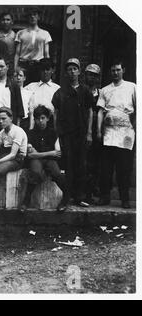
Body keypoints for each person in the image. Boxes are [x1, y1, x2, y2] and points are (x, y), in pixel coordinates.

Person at [52, 58, 94, 207]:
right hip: (67, 134)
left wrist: (89, 132)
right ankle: (66, 198)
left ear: (79, 71)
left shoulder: (85, 91)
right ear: (65, 73)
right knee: (68, 165)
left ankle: (79, 197)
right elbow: (56, 114)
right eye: (69, 69)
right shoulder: (60, 92)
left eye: (74, 69)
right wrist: (58, 133)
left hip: (81, 134)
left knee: (81, 165)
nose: (72, 71)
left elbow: (90, 111)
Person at [96, 60, 136, 209]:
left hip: (126, 132)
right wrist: (98, 130)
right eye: (113, 70)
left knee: (124, 167)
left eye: (118, 70)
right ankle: (105, 196)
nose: (115, 73)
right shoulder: (105, 90)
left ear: (123, 70)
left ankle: (124, 199)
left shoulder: (132, 87)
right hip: (109, 133)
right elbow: (100, 111)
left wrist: (136, 128)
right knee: (106, 167)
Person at [21, 105, 69, 212]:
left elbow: (57, 153)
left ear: (47, 118)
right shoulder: (31, 133)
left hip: (49, 160)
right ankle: (26, 200)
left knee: (56, 172)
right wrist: (50, 153)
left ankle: (66, 198)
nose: (40, 121)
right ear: (35, 120)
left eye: (43, 118)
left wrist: (40, 154)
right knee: (36, 172)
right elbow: (30, 155)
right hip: (36, 160)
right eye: (37, 119)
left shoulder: (53, 133)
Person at [14, 8, 52, 84]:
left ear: (38, 17)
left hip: (38, 65)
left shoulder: (45, 34)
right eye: (30, 15)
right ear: (27, 17)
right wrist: (15, 68)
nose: (32, 17)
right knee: (22, 88)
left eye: (34, 15)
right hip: (23, 65)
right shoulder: (21, 33)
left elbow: (46, 54)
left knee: (37, 88)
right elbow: (17, 53)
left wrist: (47, 69)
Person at [0, 57, 24, 133]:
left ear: (7, 67)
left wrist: (17, 127)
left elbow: (19, 108)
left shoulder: (14, 86)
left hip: (9, 121)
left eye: (2, 66)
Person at [25, 58, 60, 129]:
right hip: (33, 122)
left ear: (52, 70)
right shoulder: (30, 87)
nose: (45, 72)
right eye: (42, 69)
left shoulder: (57, 89)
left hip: (51, 123)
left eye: (47, 69)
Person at [84, 64, 102, 203]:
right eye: (89, 74)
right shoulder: (82, 91)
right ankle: (81, 192)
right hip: (82, 131)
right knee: (83, 162)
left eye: (94, 75)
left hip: (97, 133)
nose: (91, 77)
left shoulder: (101, 94)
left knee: (95, 163)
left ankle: (91, 192)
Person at [13, 67, 34, 132]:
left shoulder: (29, 93)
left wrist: (31, 126)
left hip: (24, 123)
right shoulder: (10, 92)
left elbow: (31, 112)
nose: (18, 78)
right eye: (16, 76)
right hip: (12, 121)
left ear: (24, 78)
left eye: (20, 76)